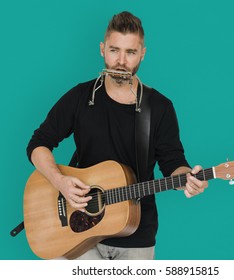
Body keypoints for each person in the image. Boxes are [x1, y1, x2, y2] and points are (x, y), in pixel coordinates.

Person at [26, 11, 208, 260]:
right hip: (74, 231)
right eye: (114, 50)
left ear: (142, 53)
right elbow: (38, 144)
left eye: (130, 53)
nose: (121, 61)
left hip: (135, 234)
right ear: (103, 49)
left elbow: (172, 163)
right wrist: (60, 182)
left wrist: (188, 179)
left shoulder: (160, 107)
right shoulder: (81, 97)